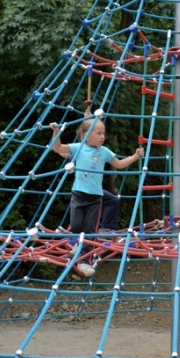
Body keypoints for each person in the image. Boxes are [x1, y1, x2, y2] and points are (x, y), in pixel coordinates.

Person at [49, 117, 144, 274]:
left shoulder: (104, 151)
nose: (102, 136)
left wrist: (135, 156)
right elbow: (57, 148)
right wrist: (56, 132)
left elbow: (119, 164)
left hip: (95, 197)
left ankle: (85, 261)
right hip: (78, 194)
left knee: (90, 230)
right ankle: (77, 247)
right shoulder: (78, 148)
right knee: (76, 225)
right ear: (87, 135)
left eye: (103, 133)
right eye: (99, 133)